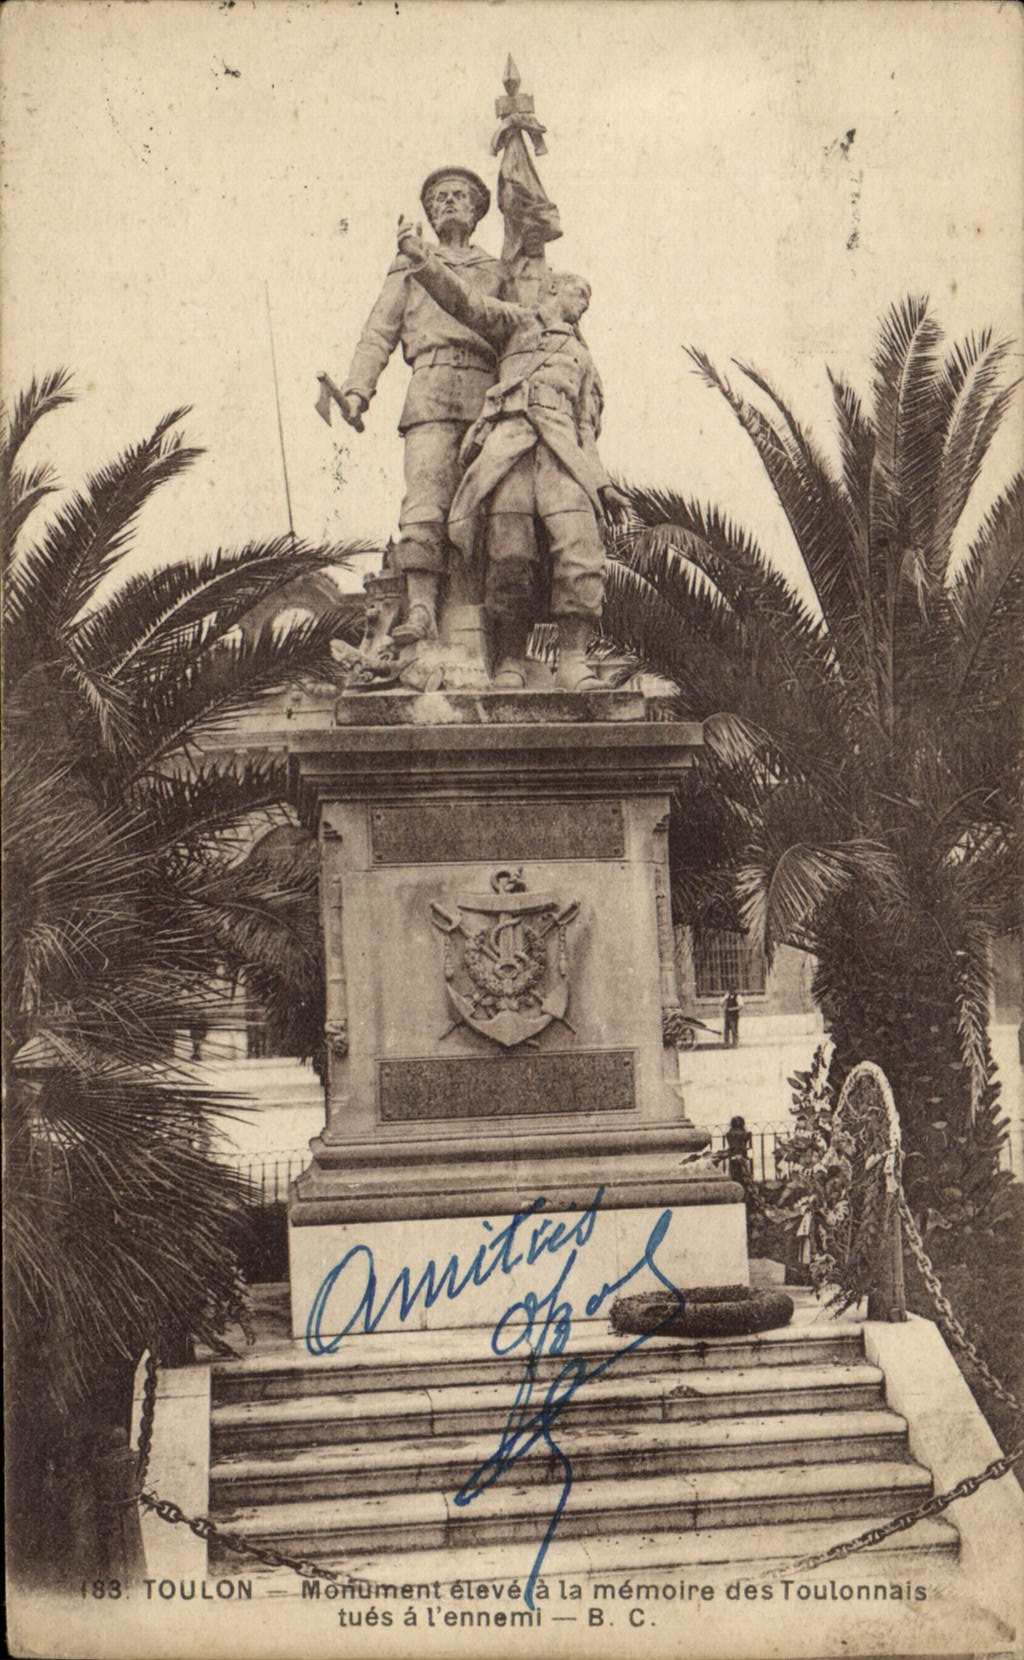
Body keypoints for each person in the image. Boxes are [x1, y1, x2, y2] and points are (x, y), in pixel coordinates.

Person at [396, 217, 629, 691]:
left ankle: (572, 660)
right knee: (510, 554)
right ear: (552, 290)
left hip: (564, 459)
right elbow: (468, 303)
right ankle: (509, 658)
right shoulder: (515, 323)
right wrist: (420, 258)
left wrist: (602, 485)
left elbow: (587, 429)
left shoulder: (585, 361)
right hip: (510, 449)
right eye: (578, 293)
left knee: (581, 548)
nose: (584, 304)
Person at [334, 169, 506, 645]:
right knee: (425, 504)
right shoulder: (409, 266)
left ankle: (487, 632)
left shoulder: (497, 270)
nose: (450, 203)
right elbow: (378, 332)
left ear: (476, 210)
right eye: (440, 198)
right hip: (429, 389)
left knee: (488, 510)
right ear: (430, 212)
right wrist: (356, 390)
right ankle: (423, 611)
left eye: (459, 197)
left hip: (486, 395)